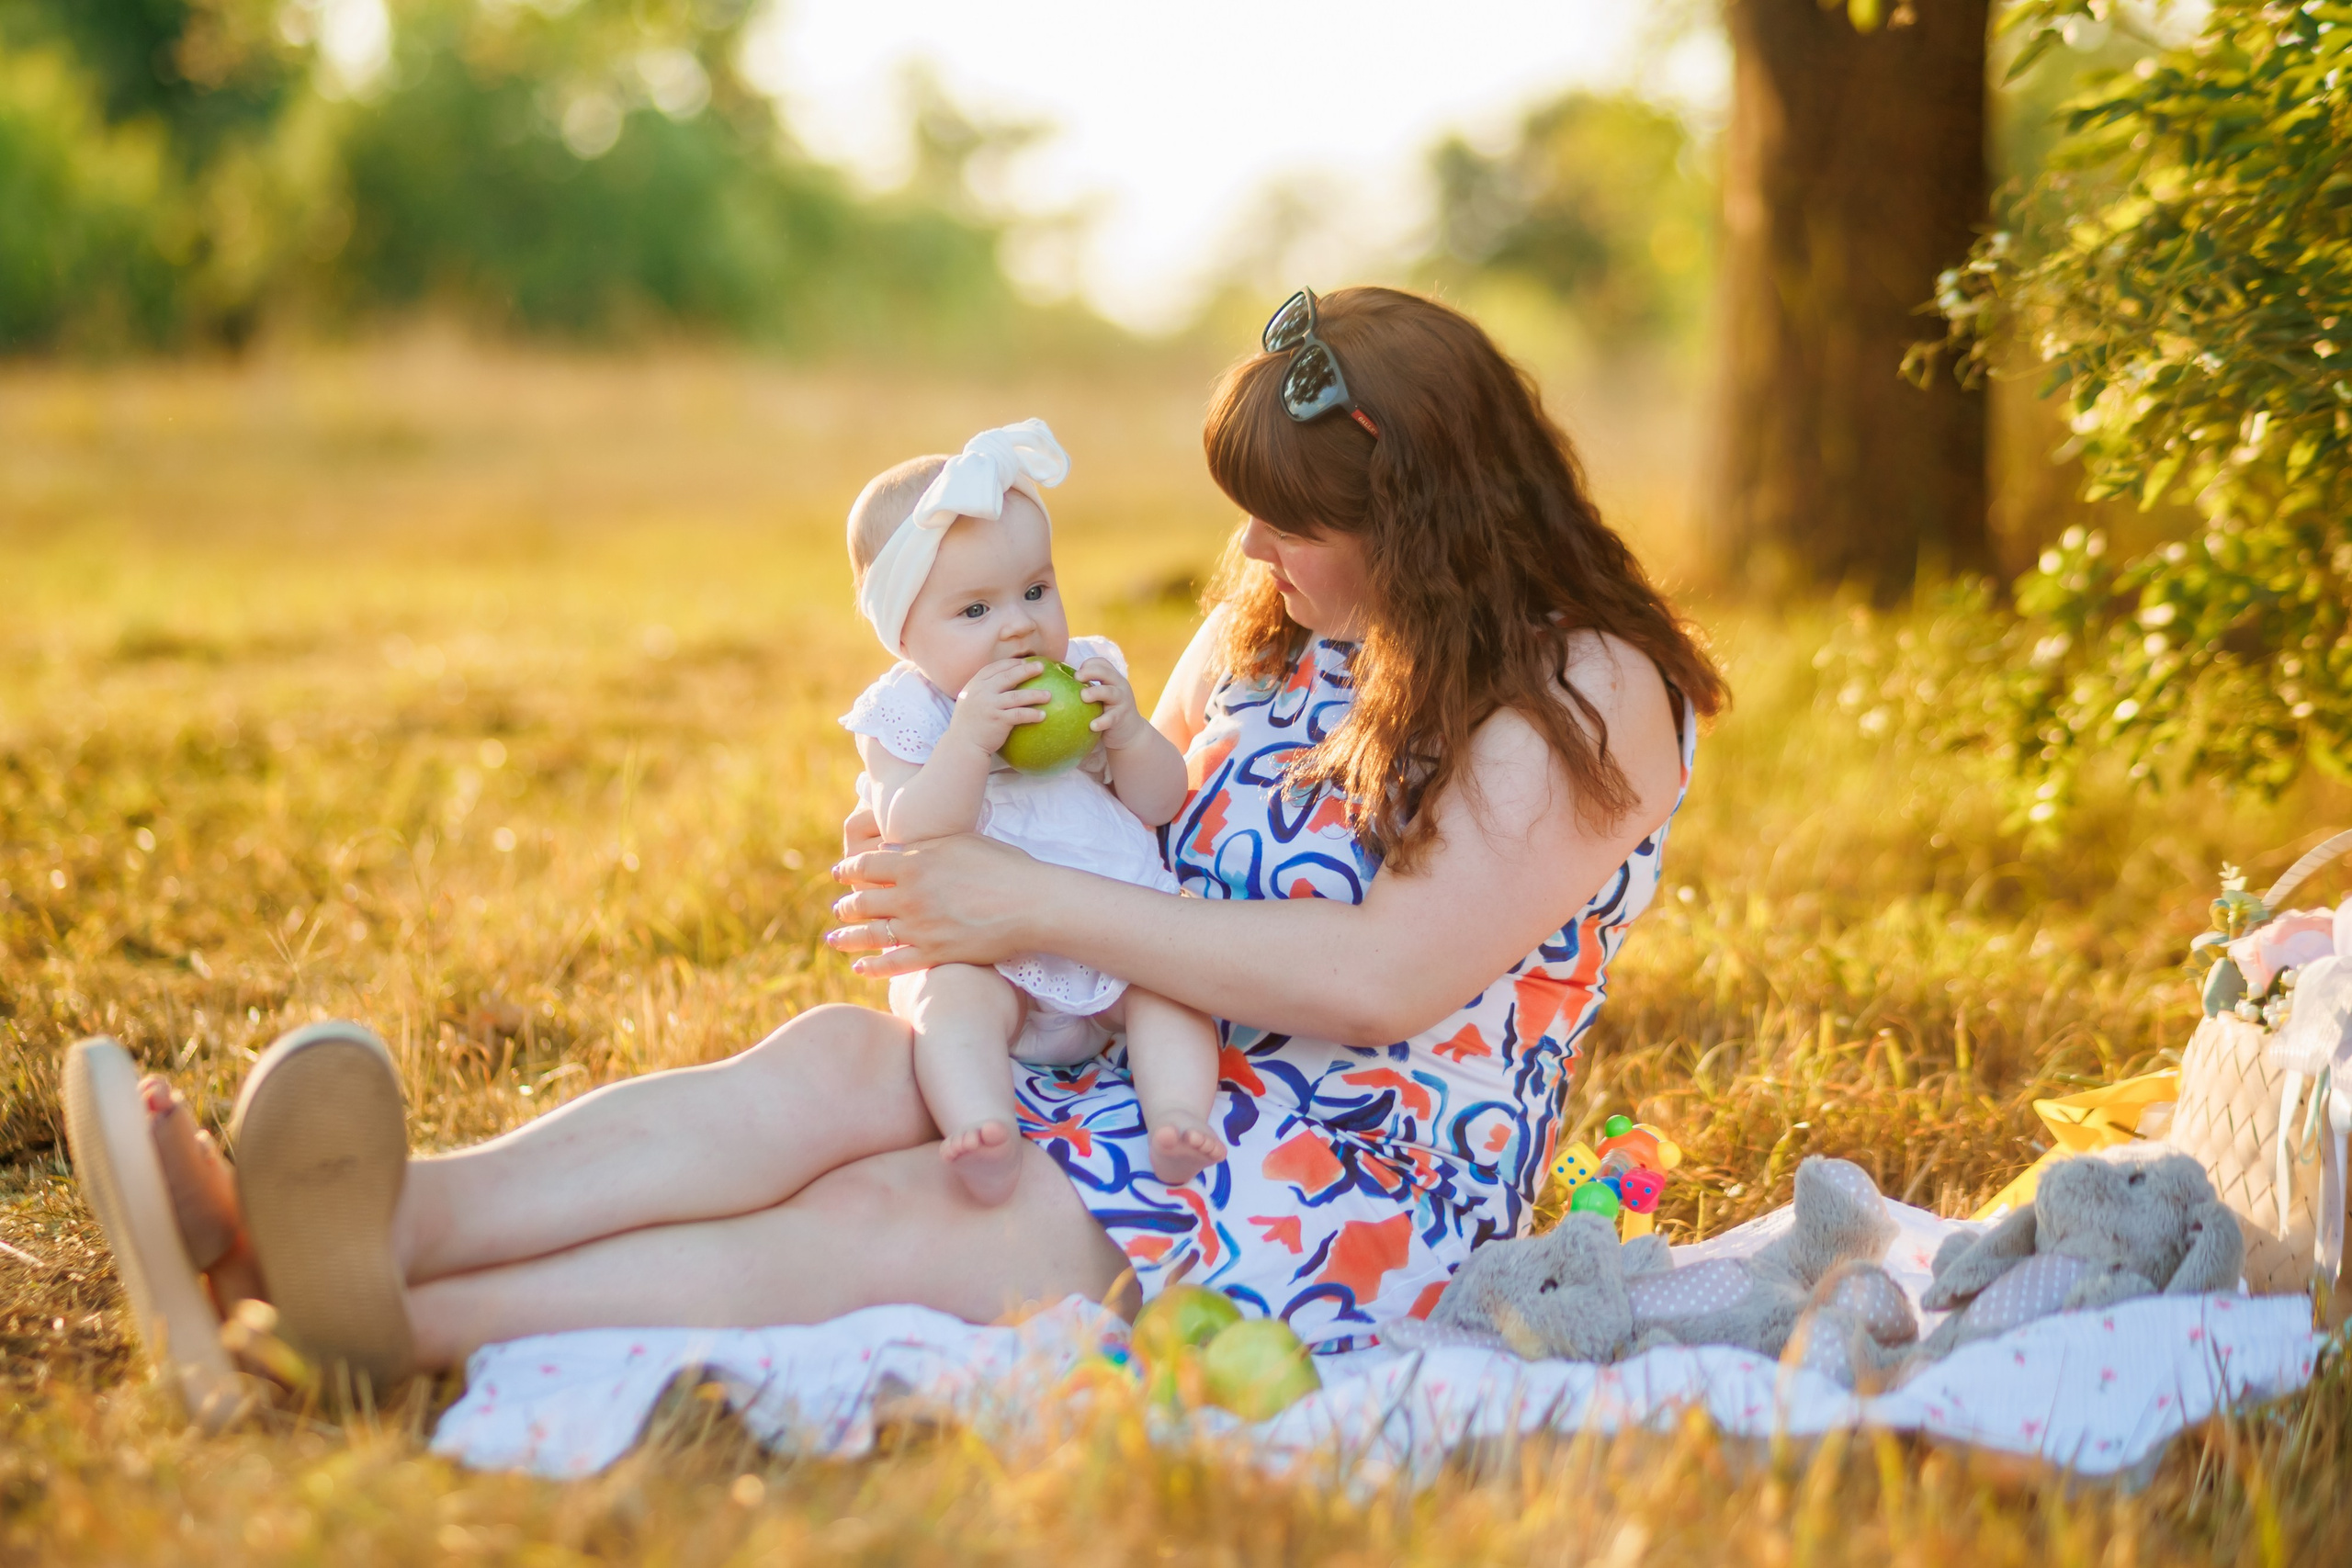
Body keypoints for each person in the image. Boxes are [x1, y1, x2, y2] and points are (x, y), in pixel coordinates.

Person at [79, 285, 1723, 1397]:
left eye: (1290, 514)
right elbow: (1133, 820)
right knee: (823, 1074)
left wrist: (1020, 891)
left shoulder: (1589, 685)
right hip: (1133, 1046)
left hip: (1330, 1168)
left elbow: (1387, 976)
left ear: (1425, 517)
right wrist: (954, 851)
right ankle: (343, 1221)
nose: (1248, 543)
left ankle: (342, 1329)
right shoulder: (1278, 621)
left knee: (896, 1221)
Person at [837, 418, 1225, 1203]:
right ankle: (982, 1127)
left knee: (1174, 995)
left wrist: (1130, 735)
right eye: (975, 611)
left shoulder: (1084, 674)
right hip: (991, 962)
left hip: (1119, 935)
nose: (1019, 623)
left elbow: (1161, 802)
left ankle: (1177, 1117)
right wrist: (970, 743)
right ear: (903, 634)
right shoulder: (907, 714)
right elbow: (911, 827)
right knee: (944, 1002)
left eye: (1036, 591)